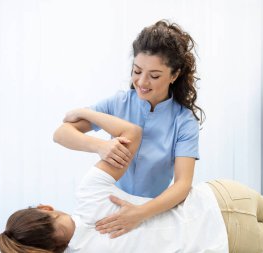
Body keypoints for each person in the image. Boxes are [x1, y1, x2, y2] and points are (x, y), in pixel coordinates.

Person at [0, 108, 263, 253]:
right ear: (45, 207)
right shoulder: (90, 195)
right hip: (220, 197)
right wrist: (89, 117)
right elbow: (131, 133)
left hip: (230, 240)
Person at [53, 19, 204, 238]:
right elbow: (61, 134)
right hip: (110, 205)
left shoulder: (184, 120)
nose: (142, 82)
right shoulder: (119, 103)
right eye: (137, 71)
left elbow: (182, 185)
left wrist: (139, 214)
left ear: (174, 75)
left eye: (154, 75)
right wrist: (101, 146)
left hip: (151, 212)